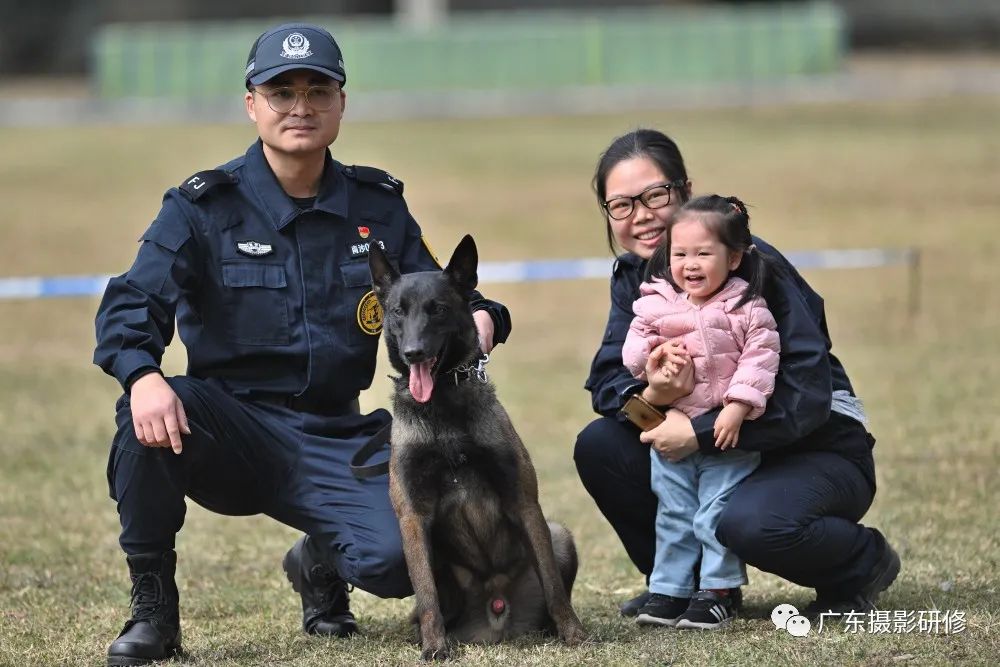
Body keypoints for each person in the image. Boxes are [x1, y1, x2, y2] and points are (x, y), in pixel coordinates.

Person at [93, 22, 512, 666]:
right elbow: (131, 302)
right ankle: (153, 611)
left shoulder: (378, 207)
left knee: (405, 557)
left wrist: (484, 320)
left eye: (319, 89)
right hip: (231, 427)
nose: (300, 106)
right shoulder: (202, 206)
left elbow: (447, 293)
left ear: (342, 103)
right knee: (143, 414)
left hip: (336, 433)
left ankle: (319, 561)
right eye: (281, 90)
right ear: (251, 104)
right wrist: (141, 374)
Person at [574, 129, 899, 622]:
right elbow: (608, 383)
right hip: (714, 453)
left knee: (747, 521)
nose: (640, 215)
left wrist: (699, 432)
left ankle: (859, 563)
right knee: (601, 446)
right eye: (621, 205)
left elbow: (806, 396)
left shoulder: (753, 264)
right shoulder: (635, 278)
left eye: (655, 195)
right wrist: (653, 396)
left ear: (684, 192)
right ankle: (682, 584)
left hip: (812, 447)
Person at [621, 195, 780, 629]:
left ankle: (719, 590)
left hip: (725, 437)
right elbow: (633, 350)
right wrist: (654, 358)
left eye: (703, 254)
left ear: (732, 259)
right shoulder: (656, 302)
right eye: (680, 254)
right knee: (672, 512)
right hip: (672, 436)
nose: (690, 264)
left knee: (715, 511)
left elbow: (761, 357)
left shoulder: (747, 306)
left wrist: (738, 405)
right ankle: (669, 590)